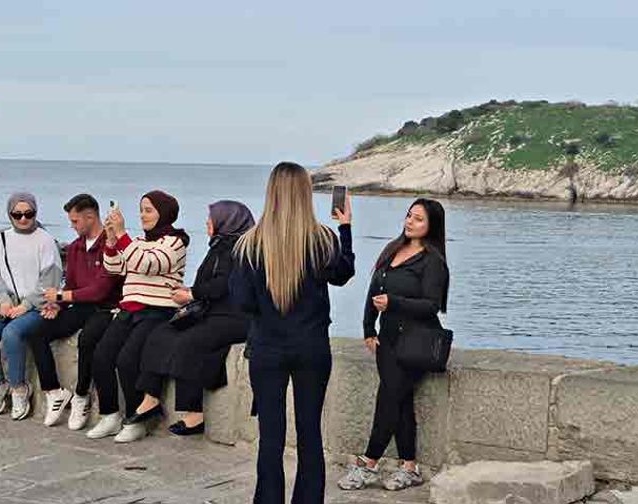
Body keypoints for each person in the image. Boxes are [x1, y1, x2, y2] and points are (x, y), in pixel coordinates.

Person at [231, 162, 354, 503]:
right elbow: (343, 274)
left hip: (267, 348)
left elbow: (241, 302)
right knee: (310, 434)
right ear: (305, 193)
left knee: (270, 437)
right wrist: (345, 228)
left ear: (270, 192)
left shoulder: (248, 245)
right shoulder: (322, 239)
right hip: (311, 347)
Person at [338, 198, 449, 492]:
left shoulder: (432, 261)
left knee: (388, 399)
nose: (410, 221)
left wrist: (394, 303)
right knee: (400, 402)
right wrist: (367, 328)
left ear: (431, 226)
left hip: (415, 344)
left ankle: (369, 462)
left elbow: (431, 306)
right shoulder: (393, 250)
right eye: (409, 215)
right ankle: (409, 467)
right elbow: (374, 290)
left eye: (419, 219)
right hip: (386, 341)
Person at [126, 200, 255, 437]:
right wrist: (189, 291)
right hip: (212, 311)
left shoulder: (239, 250)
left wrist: (192, 294)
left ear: (226, 222)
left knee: (189, 342)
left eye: (212, 218)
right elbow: (210, 283)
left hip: (234, 317)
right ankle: (150, 397)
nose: (207, 222)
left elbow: (224, 285)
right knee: (161, 334)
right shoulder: (219, 245)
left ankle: (194, 414)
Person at [86, 190, 188, 443]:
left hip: (157, 311)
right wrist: (111, 241)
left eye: (148, 210)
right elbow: (116, 268)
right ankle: (110, 414)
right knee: (101, 355)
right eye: (141, 209)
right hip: (129, 308)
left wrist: (122, 236)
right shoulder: (139, 241)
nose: (142, 215)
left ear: (164, 213)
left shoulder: (175, 242)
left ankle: (137, 418)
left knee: (127, 359)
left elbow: (149, 264)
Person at [26, 193, 122, 430]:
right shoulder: (76, 247)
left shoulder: (110, 244)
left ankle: (82, 395)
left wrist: (60, 296)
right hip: (79, 306)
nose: (72, 225)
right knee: (37, 332)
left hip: (105, 308)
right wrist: (57, 304)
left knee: (88, 339)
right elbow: (71, 284)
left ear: (90, 217)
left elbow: (100, 290)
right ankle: (54, 392)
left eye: (75, 221)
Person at [0, 192, 62, 421]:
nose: (23, 219)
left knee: (12, 333)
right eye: (17, 214)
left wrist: (25, 305)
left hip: (34, 307)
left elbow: (50, 280)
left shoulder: (45, 241)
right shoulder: (2, 239)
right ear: (10, 214)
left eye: (28, 214)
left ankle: (19, 389)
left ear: (35, 213)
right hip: (7, 305)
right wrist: (3, 299)